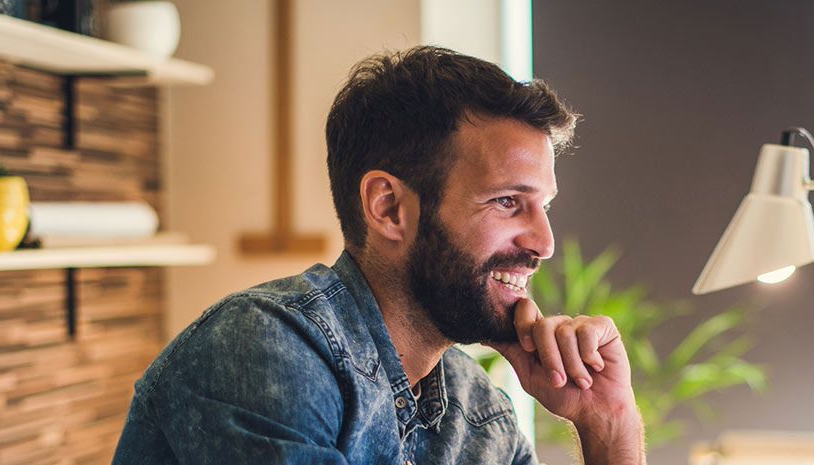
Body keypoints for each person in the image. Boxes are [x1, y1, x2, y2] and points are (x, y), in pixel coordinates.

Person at [111, 46, 646, 464]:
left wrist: (609, 424)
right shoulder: (265, 349)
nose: (544, 243)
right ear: (388, 208)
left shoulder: (477, 414)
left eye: (543, 206)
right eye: (508, 202)